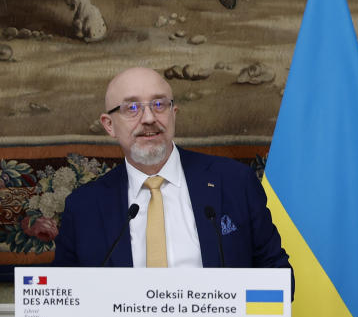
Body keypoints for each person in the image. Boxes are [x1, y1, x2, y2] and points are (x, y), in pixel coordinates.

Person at [53, 67, 292, 277]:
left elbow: (278, 276)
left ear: (173, 114)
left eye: (159, 105)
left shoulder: (234, 182)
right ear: (109, 125)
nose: (148, 119)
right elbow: (63, 298)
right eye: (132, 108)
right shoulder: (84, 207)